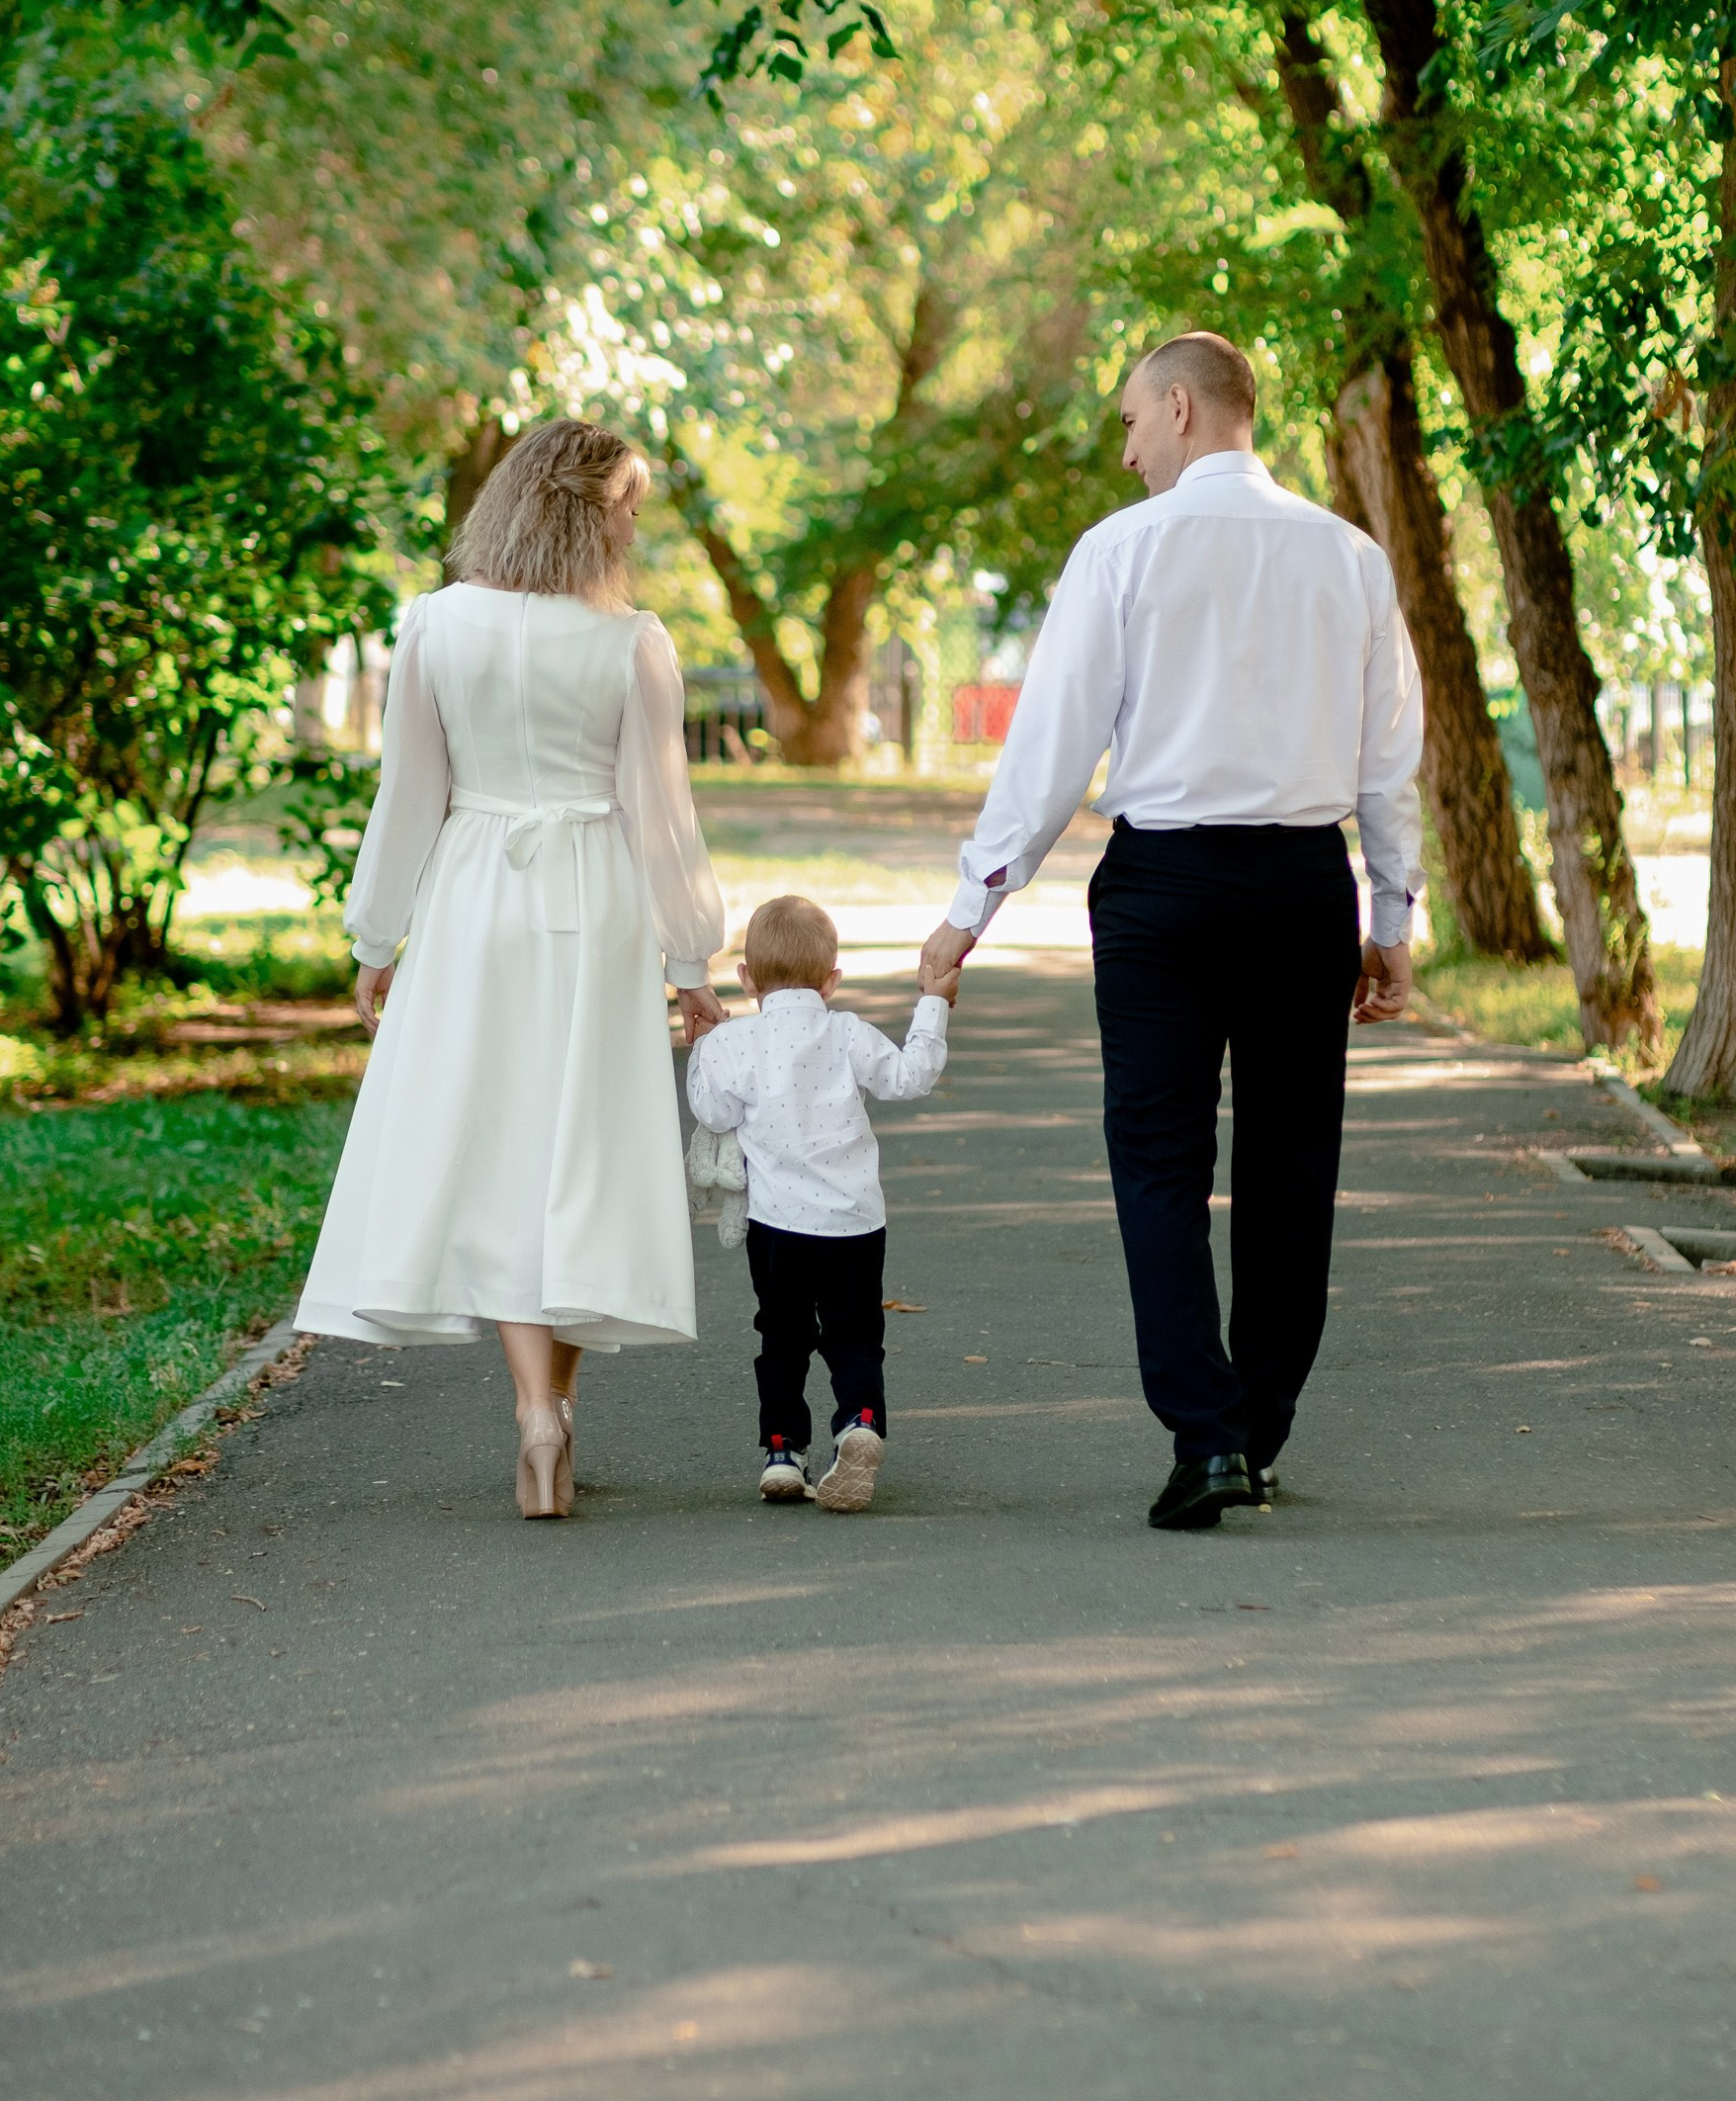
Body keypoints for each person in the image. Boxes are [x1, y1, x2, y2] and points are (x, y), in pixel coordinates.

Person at [919, 332, 1423, 1532]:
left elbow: (1049, 752)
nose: (1127, 445)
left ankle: (1204, 1438)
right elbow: (1386, 758)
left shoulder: (1121, 550)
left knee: (1158, 1163)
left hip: (1162, 892)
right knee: (1292, 1165)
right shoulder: (1349, 558)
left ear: (1185, 409)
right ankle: (1254, 1428)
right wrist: (1389, 914)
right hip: (1303, 884)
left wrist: (966, 912)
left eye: (1133, 420)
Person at [295, 418, 726, 1519]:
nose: (635, 521)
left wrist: (374, 936)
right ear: (583, 508)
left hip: (475, 894)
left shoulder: (434, 626)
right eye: (626, 502)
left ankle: (539, 1414)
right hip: (593, 897)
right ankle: (557, 1413)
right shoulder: (630, 641)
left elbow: (411, 796)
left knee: (503, 1153)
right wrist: (691, 964)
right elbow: (659, 815)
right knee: (580, 1150)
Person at [686, 894, 953, 1512]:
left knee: (781, 1334)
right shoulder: (848, 1032)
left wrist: (702, 1043)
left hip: (777, 1226)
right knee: (855, 1334)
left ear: (745, 978)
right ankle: (859, 1420)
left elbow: (712, 1110)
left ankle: (783, 1451)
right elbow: (908, 1078)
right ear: (832, 979)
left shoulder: (737, 1043)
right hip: (854, 1223)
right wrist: (933, 1004)